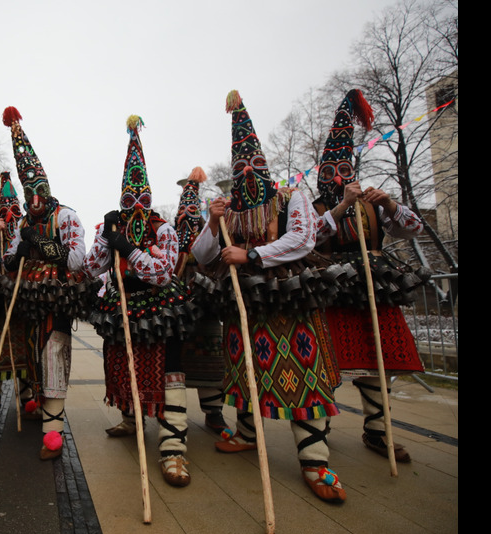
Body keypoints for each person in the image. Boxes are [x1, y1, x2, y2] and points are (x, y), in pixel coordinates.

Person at [191, 91, 346, 503]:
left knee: (302, 367)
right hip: (242, 302)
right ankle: (245, 433)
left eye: (254, 165)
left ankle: (314, 458)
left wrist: (252, 254)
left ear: (265, 165)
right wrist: (212, 221)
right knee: (244, 368)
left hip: (287, 297)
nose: (247, 172)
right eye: (240, 166)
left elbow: (303, 238)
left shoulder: (289, 196)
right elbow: (201, 255)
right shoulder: (228, 211)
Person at [312, 89, 429, 463]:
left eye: (345, 171)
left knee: (377, 357)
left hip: (374, 286)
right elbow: (312, 237)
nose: (339, 177)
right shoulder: (314, 206)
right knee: (329, 358)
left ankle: (379, 430)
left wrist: (390, 203)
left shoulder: (373, 203)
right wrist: (342, 205)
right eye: (331, 172)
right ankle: (318, 431)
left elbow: (413, 228)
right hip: (331, 286)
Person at [84, 115, 200, 487]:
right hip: (123, 305)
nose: (135, 204)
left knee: (168, 370)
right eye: (128, 197)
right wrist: (106, 237)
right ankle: (132, 417)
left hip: (159, 304)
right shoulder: (115, 226)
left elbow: (164, 271)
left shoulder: (163, 227)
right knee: (122, 363)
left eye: (141, 197)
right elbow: (90, 267)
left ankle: (173, 447)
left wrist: (131, 250)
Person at [0, 107, 91, 460]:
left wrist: (38, 245)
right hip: (26, 296)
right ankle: (35, 404)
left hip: (57, 296)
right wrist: (15, 253)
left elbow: (75, 258)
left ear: (47, 187)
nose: (34, 200)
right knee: (30, 352)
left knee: (54, 352)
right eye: (29, 194)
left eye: (39, 191)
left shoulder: (65, 215)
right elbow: (8, 259)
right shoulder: (23, 221)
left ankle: (53, 430)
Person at [172, 167, 231, 436]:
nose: (188, 219)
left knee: (211, 358)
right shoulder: (169, 238)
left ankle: (214, 411)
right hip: (175, 310)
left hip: (205, 307)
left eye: (193, 213)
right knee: (174, 360)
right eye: (183, 214)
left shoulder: (209, 235)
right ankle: (173, 410)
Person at [0, 171, 35, 422]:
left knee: (24, 352)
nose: (9, 216)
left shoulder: (25, 229)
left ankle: (27, 397)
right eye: (6, 211)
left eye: (13, 209)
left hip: (20, 303)